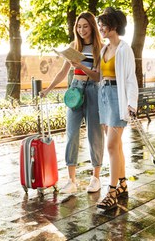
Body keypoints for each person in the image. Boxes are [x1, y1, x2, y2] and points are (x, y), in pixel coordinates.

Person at [40, 11, 104, 194]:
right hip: (75, 90)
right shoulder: (73, 46)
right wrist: (48, 89)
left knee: (95, 135)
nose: (82, 30)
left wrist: (81, 66)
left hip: (93, 90)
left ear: (92, 26)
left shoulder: (100, 48)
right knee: (71, 134)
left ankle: (96, 177)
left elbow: (98, 76)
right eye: (79, 26)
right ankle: (71, 180)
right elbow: (62, 73)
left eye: (85, 26)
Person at [95, 7, 138, 210]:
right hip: (104, 96)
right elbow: (98, 76)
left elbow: (130, 79)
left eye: (103, 24)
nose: (100, 27)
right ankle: (122, 183)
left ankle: (111, 192)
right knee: (117, 146)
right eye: (100, 24)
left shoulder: (124, 49)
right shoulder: (104, 49)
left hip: (117, 97)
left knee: (111, 146)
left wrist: (132, 103)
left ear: (113, 26)